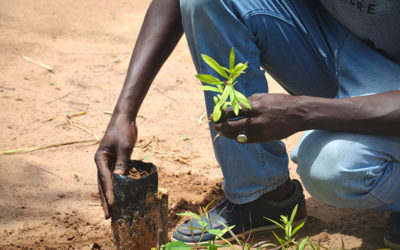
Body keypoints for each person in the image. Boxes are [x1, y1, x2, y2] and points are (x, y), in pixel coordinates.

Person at [94, 0, 400, 248]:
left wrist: (303, 112)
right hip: (337, 40)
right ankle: (262, 196)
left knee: (334, 168)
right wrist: (124, 113)